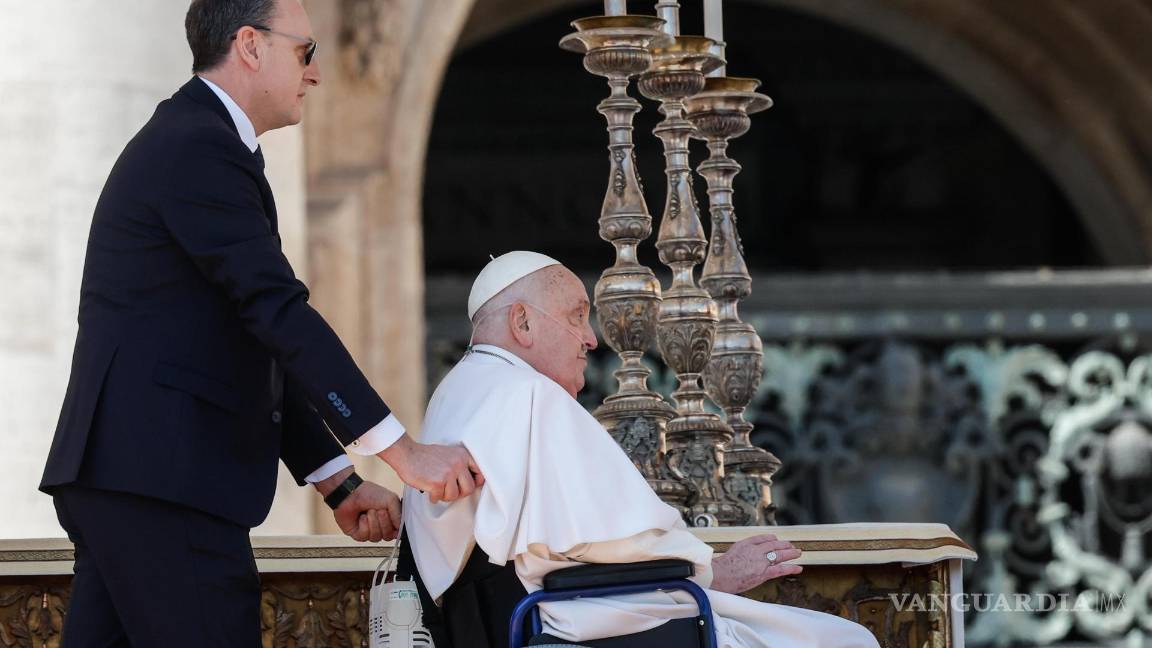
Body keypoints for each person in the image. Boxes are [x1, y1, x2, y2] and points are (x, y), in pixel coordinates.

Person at [38, 1, 482, 645]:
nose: (316, 75)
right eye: (306, 52)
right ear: (250, 44)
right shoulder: (200, 146)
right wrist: (403, 453)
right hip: (166, 487)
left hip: (134, 480)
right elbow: (278, 314)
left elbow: (247, 341)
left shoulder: (202, 142)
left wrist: (339, 482)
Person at [403, 251, 880, 648]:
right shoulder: (527, 394)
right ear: (522, 322)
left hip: (512, 621)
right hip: (579, 621)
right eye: (576, 316)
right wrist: (716, 570)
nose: (590, 338)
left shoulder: (457, 391)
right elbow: (615, 545)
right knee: (844, 640)